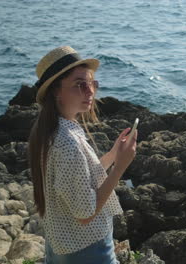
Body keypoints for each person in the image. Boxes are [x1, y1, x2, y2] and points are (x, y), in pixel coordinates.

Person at [27, 46, 137, 264]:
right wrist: (120, 168)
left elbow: (81, 178)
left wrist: (115, 154)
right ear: (56, 91)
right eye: (80, 85)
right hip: (87, 249)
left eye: (92, 83)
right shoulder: (66, 143)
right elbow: (85, 214)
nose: (90, 91)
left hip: (61, 242)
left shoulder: (54, 129)